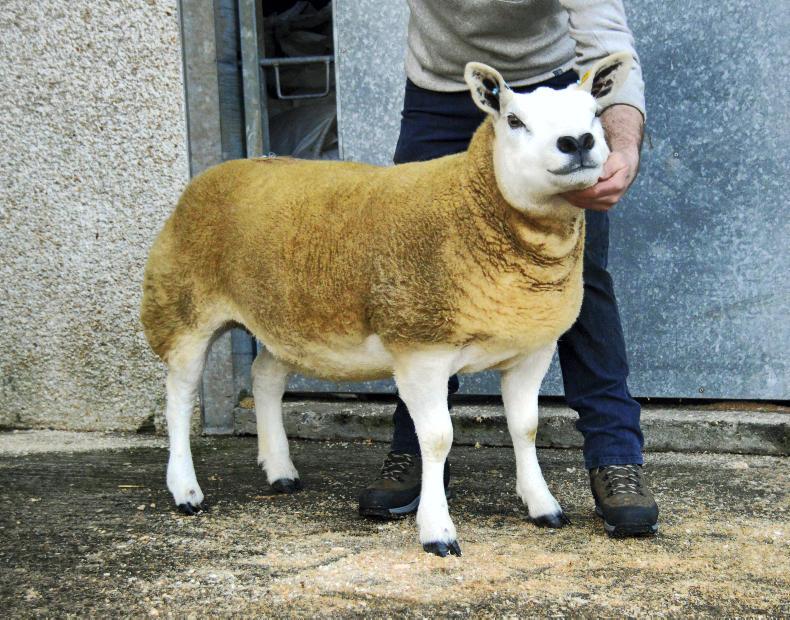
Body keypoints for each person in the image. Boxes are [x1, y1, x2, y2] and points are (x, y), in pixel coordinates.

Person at [358, 0, 659, 537]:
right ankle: (415, 449)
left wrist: (623, 146)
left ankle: (615, 454)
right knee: (417, 269)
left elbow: (606, 36)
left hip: (554, 90)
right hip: (439, 90)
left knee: (575, 269)